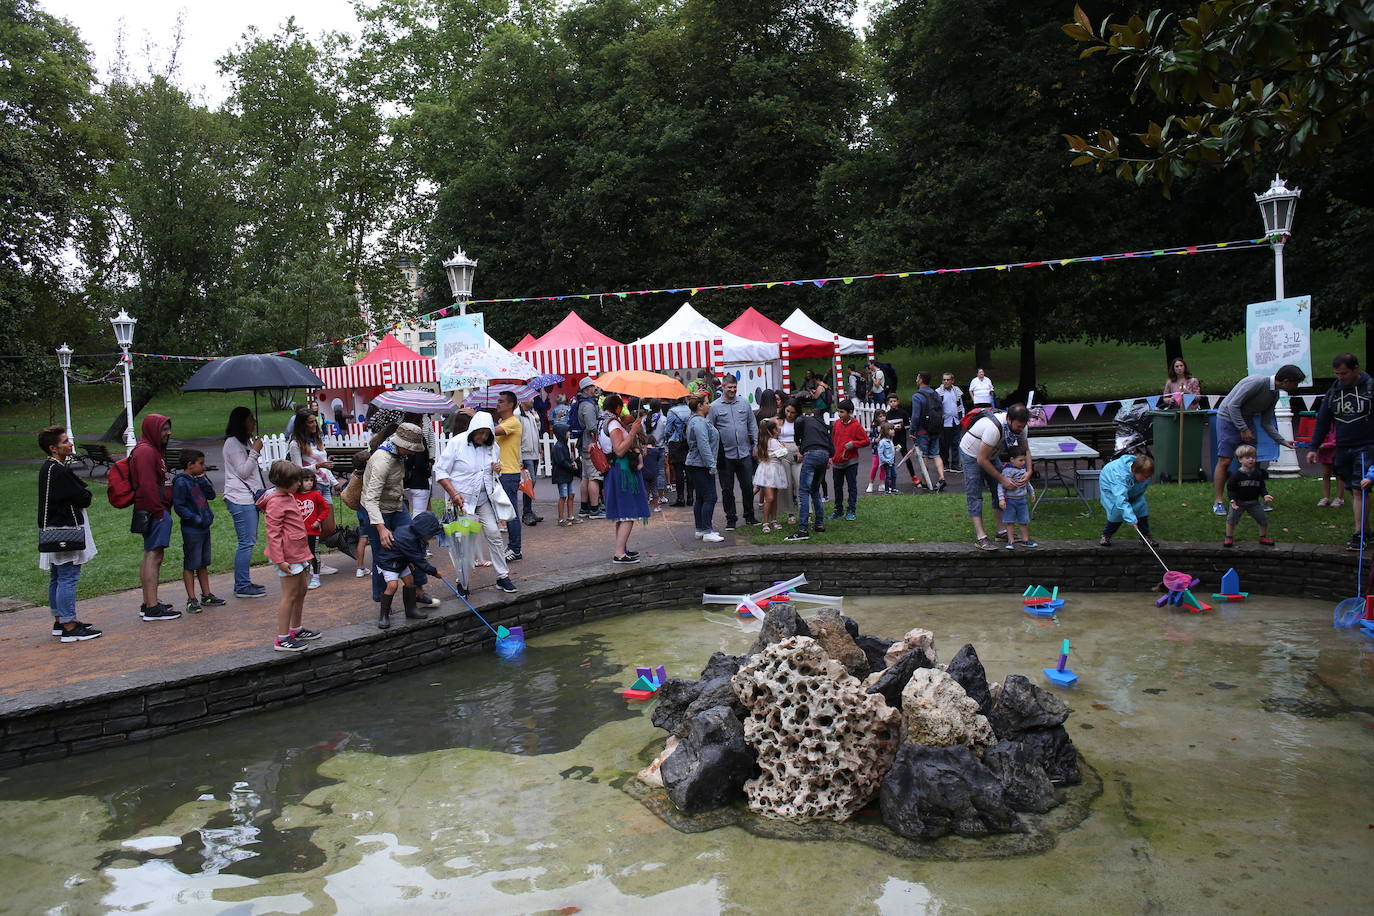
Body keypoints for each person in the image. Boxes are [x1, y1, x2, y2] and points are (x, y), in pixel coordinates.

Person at [434, 412, 518, 593]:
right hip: (462, 501)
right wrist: (453, 494)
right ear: (473, 430)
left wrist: (497, 468)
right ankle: (462, 581)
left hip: (484, 498)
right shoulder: (457, 443)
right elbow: (440, 472)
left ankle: (502, 576)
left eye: (487, 433)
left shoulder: (492, 447)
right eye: (480, 433)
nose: (483, 437)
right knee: (465, 541)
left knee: (494, 534)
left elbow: (494, 473)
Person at [1211, 364, 1305, 516]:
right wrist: (1243, 429)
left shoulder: (1274, 394)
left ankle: (1251, 500)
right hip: (1227, 419)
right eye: (1296, 383)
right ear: (1286, 381)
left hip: (1245, 422)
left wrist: (1283, 441)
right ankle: (1218, 502)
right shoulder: (1257, 382)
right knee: (1225, 461)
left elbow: (1266, 422)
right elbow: (1232, 405)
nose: (1296, 387)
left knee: (1251, 462)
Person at [361, 422, 437, 605]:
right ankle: (382, 600)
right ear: (401, 444)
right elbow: (371, 500)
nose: (412, 452)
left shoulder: (399, 455)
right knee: (382, 555)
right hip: (376, 510)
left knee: (415, 543)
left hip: (396, 506)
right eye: (410, 449)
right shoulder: (382, 461)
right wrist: (381, 529)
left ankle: (418, 591)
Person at [37, 426, 101, 642]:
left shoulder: (49, 468)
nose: (70, 444)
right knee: (67, 576)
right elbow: (83, 497)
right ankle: (70, 625)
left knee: (57, 576)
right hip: (64, 528)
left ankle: (60, 620)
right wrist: (84, 493)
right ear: (53, 448)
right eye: (65, 442)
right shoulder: (59, 471)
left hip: (54, 527)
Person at [1308, 353, 1374, 550]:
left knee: (1359, 489)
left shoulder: (1370, 388)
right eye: (1337, 374)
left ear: (1356, 369)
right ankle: (1367, 532)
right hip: (1343, 446)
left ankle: (1359, 534)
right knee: (1355, 490)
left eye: (1344, 373)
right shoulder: (1334, 391)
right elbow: (1323, 419)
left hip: (1366, 445)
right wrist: (1314, 447)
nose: (1340, 378)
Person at [258, 460, 320, 652]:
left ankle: (296, 629)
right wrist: (279, 560)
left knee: (301, 590)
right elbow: (273, 533)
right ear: (287, 482)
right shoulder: (277, 501)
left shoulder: (288, 495)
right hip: (286, 556)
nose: (300, 484)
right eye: (297, 481)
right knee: (289, 595)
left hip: (298, 552)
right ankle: (282, 638)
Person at [959, 403, 1031, 549]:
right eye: (1018, 426)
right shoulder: (994, 428)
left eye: (1022, 426)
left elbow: (1026, 450)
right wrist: (1002, 478)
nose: (1020, 429)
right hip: (971, 454)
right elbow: (981, 459)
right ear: (1009, 419)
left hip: (990, 455)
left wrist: (1029, 471)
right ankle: (981, 537)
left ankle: (1001, 531)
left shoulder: (1021, 427)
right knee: (975, 495)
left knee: (999, 493)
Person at [131, 413, 179, 621]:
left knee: (152, 554)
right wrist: (159, 512)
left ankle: (150, 601)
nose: (168, 433)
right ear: (152, 430)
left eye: (168, 428)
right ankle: (151, 607)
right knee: (154, 555)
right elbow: (147, 485)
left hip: (156, 510)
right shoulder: (145, 452)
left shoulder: (152, 451)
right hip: (154, 512)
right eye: (163, 429)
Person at [172, 449, 226, 614]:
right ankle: (191, 598)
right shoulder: (181, 482)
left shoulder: (198, 479)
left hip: (203, 527)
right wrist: (195, 519)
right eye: (200, 464)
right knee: (191, 563)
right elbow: (179, 506)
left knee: (203, 562)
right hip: (192, 529)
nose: (203, 467)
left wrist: (203, 479)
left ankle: (207, 594)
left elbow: (210, 495)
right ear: (190, 465)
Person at [597, 394, 650, 562]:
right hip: (623, 471)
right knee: (628, 512)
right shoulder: (613, 423)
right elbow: (619, 449)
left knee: (623, 514)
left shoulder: (602, 422)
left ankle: (622, 548)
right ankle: (619, 553)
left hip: (616, 470)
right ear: (618, 408)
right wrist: (633, 432)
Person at [223, 406, 268, 599]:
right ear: (241, 422)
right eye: (250, 419)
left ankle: (244, 581)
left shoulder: (243, 442)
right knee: (246, 542)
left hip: (248, 497)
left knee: (248, 541)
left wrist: (253, 449)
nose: (253, 422)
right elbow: (243, 471)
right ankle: (241, 585)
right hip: (240, 498)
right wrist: (255, 452)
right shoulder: (232, 444)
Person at [373, 511, 443, 628]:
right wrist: (434, 572)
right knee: (392, 585)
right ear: (423, 531)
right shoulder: (409, 539)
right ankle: (383, 615)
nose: (431, 537)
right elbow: (419, 561)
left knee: (410, 581)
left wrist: (408, 561)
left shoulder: (412, 534)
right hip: (388, 563)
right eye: (430, 534)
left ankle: (411, 609)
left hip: (401, 561)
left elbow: (410, 555)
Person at [707, 376, 759, 530]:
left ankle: (750, 516)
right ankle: (731, 519)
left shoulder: (744, 403)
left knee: (747, 486)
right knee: (727, 489)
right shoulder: (714, 406)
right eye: (729, 387)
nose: (732, 390)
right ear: (723, 387)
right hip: (725, 455)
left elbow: (752, 424)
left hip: (744, 452)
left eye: (734, 387)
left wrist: (755, 445)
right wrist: (713, 451)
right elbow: (710, 428)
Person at [785, 405, 833, 541]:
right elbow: (832, 449)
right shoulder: (823, 425)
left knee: (803, 491)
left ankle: (803, 529)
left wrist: (799, 441)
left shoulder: (803, 420)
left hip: (811, 453)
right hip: (824, 455)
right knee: (815, 490)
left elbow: (798, 425)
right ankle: (819, 524)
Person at [491, 391, 527, 561]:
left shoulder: (513, 422)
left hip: (509, 473)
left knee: (511, 512)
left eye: (501, 401)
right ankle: (512, 546)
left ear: (511, 404)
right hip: (501, 472)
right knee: (505, 511)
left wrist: (477, 417)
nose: (498, 404)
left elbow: (492, 432)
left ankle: (515, 548)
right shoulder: (503, 421)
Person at [684, 394, 723, 542]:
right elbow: (703, 445)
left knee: (700, 497)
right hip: (701, 465)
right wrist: (711, 465)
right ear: (700, 406)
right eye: (707, 403)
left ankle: (700, 529)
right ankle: (707, 531)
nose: (710, 405)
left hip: (696, 464)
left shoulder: (696, 421)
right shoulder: (699, 422)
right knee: (710, 497)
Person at [1098, 452, 1157, 547]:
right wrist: (1131, 519)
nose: (1146, 479)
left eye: (1148, 477)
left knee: (1141, 507)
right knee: (1116, 512)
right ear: (1134, 471)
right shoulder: (1119, 476)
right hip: (1112, 490)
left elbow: (1141, 489)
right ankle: (1106, 535)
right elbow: (1120, 499)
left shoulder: (1142, 473)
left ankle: (1145, 536)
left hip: (1133, 488)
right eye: (1144, 477)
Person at [1223, 444, 1274, 547]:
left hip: (1254, 502)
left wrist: (1265, 495)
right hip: (1238, 502)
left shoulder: (1258, 474)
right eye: (1248, 458)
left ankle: (1263, 537)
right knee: (1231, 519)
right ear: (1240, 459)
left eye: (1253, 457)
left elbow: (1261, 487)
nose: (1251, 460)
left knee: (1263, 519)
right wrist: (1232, 500)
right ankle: (1229, 537)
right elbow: (1231, 489)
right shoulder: (1236, 475)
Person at [829, 399, 868, 521]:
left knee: (852, 486)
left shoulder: (856, 425)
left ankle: (851, 509)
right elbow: (833, 441)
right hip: (837, 461)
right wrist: (831, 456)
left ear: (850, 412)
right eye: (838, 412)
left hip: (851, 461)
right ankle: (838, 509)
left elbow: (866, 441)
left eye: (842, 412)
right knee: (837, 486)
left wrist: (854, 444)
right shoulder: (836, 424)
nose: (839, 414)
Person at [295, 472, 332, 589]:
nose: (309, 483)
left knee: (313, 554)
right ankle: (301, 578)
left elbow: (325, 509)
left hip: (312, 531)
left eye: (311, 480)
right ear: (299, 482)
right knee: (300, 555)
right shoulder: (294, 495)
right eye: (306, 480)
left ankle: (316, 577)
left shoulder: (316, 494)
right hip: (298, 532)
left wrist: (319, 520)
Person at [574, 378, 604, 518]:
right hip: (590, 445)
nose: (595, 388)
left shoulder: (584, 403)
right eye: (592, 386)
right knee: (594, 477)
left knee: (586, 477)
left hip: (585, 444)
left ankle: (584, 508)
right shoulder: (588, 406)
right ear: (586, 389)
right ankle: (594, 509)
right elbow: (592, 427)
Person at [912, 372, 948, 489]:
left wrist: (913, 430)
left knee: (924, 455)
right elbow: (941, 410)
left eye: (917, 377)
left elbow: (916, 416)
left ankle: (924, 481)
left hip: (923, 430)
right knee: (936, 454)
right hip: (935, 428)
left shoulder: (917, 396)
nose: (916, 379)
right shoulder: (935, 394)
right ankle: (941, 477)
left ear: (921, 380)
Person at [996, 444, 1036, 548]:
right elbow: (1001, 486)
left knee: (1024, 521)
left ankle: (1025, 540)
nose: (1023, 463)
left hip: (1022, 501)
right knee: (1010, 522)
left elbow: (1027, 483)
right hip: (1010, 501)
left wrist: (1032, 492)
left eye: (1024, 460)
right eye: (1021, 460)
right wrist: (1001, 499)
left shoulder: (1023, 470)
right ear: (1012, 460)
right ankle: (1011, 541)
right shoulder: (1007, 471)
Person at [753, 418, 789, 531]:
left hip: (769, 469)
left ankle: (773, 520)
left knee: (773, 498)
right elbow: (783, 453)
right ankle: (766, 522)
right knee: (770, 498)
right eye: (777, 427)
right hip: (771, 471)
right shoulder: (773, 442)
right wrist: (783, 448)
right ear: (773, 430)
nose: (779, 428)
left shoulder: (765, 441)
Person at [518, 399, 544, 526]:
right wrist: (519, 457)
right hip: (525, 453)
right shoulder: (518, 415)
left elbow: (535, 432)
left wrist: (537, 421)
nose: (533, 400)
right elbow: (517, 436)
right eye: (530, 398)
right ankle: (526, 513)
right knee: (529, 482)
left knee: (531, 483)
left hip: (533, 453)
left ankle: (528, 511)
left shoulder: (530, 413)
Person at [551, 422, 581, 526]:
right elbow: (561, 461)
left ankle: (570, 516)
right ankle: (561, 519)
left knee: (571, 494)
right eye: (566, 431)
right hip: (562, 475)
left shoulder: (563, 445)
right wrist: (571, 465)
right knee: (563, 496)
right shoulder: (559, 447)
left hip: (566, 475)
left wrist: (570, 464)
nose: (568, 433)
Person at [665, 397, 692, 507]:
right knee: (689, 470)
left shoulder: (672, 412)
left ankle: (680, 498)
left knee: (679, 471)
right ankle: (690, 497)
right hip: (689, 442)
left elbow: (667, 430)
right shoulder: (690, 409)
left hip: (676, 442)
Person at [937, 373, 965, 471]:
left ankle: (955, 464)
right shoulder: (938, 392)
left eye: (948, 380)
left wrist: (963, 417)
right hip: (944, 422)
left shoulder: (956, 391)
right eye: (944, 380)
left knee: (955, 443)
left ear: (952, 381)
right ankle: (944, 463)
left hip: (956, 421)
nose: (946, 382)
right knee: (944, 444)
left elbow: (960, 405)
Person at [1314, 427, 1346, 508]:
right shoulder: (1324, 424)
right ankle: (1326, 497)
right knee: (1326, 474)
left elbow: (1341, 439)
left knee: (1339, 476)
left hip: (1337, 451)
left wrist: (1326, 445)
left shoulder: (1339, 424)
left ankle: (1339, 498)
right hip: (1324, 452)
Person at [865, 409, 888, 492]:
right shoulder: (874, 426)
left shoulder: (887, 425)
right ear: (876, 417)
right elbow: (869, 438)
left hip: (885, 450)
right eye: (880, 416)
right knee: (875, 466)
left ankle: (882, 484)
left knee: (883, 467)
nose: (882, 418)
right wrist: (875, 440)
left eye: (884, 416)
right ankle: (870, 483)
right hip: (876, 450)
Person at [876, 422, 897, 494]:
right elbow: (880, 453)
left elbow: (890, 450)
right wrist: (885, 460)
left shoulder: (890, 440)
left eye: (893, 429)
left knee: (894, 474)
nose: (893, 431)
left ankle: (893, 488)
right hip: (887, 462)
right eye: (890, 429)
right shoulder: (882, 442)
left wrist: (895, 448)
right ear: (885, 431)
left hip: (892, 461)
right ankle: (887, 490)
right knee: (888, 476)